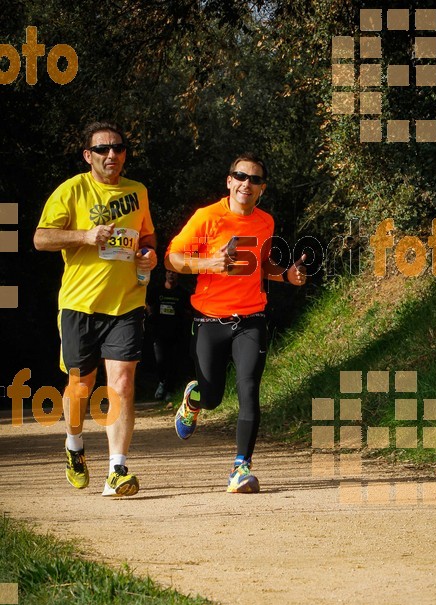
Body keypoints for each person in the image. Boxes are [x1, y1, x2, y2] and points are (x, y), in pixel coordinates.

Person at [165, 152, 306, 493]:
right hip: (209, 320)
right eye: (241, 177)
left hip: (251, 319)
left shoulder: (265, 222)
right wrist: (210, 263)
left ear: (262, 189)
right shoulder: (207, 217)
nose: (247, 184)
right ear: (229, 181)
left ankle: (240, 468)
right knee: (212, 396)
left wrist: (286, 275)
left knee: (249, 390)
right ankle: (194, 398)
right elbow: (172, 257)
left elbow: (262, 265)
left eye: (254, 180)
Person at [34, 121, 157, 497]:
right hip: (79, 305)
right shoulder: (72, 190)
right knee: (80, 387)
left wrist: (150, 255)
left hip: (126, 304)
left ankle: (117, 470)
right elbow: (41, 238)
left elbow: (147, 236)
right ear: (88, 155)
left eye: (117, 148)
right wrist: (85, 236)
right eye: (102, 149)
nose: (111, 155)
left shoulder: (138, 192)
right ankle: (74, 446)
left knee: (121, 383)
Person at [145, 268, 193, 402]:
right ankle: (162, 383)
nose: (171, 274)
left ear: (178, 275)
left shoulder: (182, 293)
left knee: (174, 362)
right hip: (159, 332)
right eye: (169, 272)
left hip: (177, 332)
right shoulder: (157, 290)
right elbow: (148, 303)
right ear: (165, 274)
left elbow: (189, 310)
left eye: (174, 272)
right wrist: (150, 314)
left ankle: (169, 391)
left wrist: (185, 317)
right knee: (160, 360)